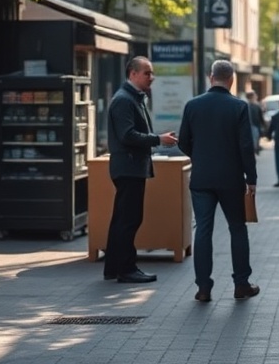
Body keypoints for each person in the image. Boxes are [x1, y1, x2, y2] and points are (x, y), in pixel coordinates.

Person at [178, 60, 260, 302]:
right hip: (231, 179)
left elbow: (183, 141)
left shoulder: (193, 106)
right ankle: (241, 284)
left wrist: (200, 156)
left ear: (210, 77)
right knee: (237, 228)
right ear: (232, 80)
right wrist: (251, 178)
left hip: (202, 177)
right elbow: (246, 145)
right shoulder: (238, 107)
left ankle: (203, 288)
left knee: (203, 229)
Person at [104, 56, 178, 283]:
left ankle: (114, 268)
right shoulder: (124, 100)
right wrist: (157, 139)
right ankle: (126, 269)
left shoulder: (132, 98)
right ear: (132, 74)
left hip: (130, 166)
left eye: (152, 73)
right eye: (147, 73)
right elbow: (127, 135)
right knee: (129, 219)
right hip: (128, 167)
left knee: (123, 219)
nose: (151, 77)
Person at [245, 90, 266, 156]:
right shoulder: (255, 106)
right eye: (255, 95)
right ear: (252, 97)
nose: (256, 96)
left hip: (251, 126)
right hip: (253, 126)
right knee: (254, 140)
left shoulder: (246, 105)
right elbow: (260, 118)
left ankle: (255, 148)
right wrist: (264, 125)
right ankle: (255, 149)